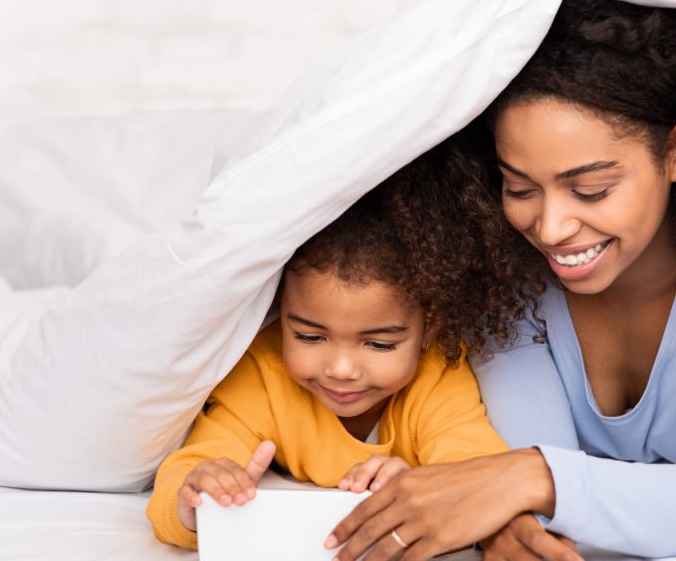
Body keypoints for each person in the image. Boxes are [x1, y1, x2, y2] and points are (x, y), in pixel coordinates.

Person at [325, 0, 676, 561]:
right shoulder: (502, 271)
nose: (549, 227)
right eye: (519, 188)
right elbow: (526, 483)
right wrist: (511, 520)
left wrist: (531, 479)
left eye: (591, 189)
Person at [144, 170, 511, 550]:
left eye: (379, 344)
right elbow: (184, 477)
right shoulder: (262, 374)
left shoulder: (438, 372)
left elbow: (478, 468)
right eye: (309, 337)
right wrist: (195, 502)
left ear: (429, 329)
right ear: (279, 313)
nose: (340, 369)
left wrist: (427, 484)